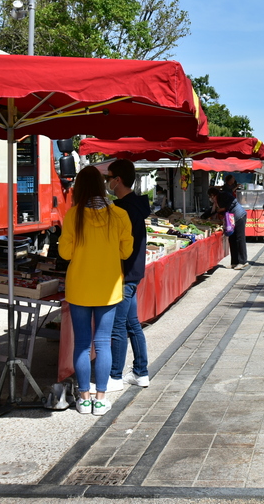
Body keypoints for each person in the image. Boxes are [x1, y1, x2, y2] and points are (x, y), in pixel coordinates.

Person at [59, 166, 133, 416]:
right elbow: (126, 252)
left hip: (79, 287)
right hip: (108, 288)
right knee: (103, 343)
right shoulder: (119, 214)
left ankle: (83, 398)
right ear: (103, 186)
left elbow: (65, 253)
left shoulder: (73, 215)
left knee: (81, 344)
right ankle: (100, 399)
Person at [105, 159, 151, 389]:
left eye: (109, 177)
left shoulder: (123, 208)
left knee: (119, 326)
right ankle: (141, 372)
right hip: (134, 271)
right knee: (132, 324)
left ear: (118, 180)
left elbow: (122, 245)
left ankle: (114, 376)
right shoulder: (136, 204)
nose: (107, 182)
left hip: (124, 273)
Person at [216, 185, 248, 269]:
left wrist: (223, 209)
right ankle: (234, 262)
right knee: (232, 238)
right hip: (232, 219)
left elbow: (232, 203)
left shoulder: (223, 195)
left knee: (240, 238)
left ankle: (243, 261)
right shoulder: (219, 198)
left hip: (239, 216)